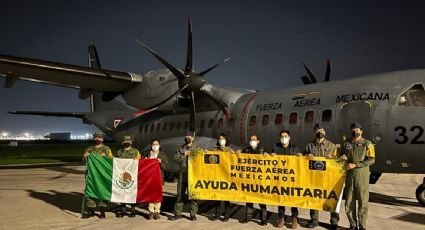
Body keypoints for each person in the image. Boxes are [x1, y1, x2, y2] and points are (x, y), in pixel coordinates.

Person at [304, 124, 339, 229]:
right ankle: (314, 220)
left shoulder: (332, 146)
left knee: (332, 198)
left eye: (322, 130)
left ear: (325, 132)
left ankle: (334, 222)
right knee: (314, 198)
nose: (320, 132)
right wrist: (307, 156)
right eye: (318, 130)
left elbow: (338, 160)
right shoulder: (309, 146)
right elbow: (302, 160)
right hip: (315, 177)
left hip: (329, 178)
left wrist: (333, 156)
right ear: (315, 132)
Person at [341, 123, 375, 230]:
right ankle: (353, 225)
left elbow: (371, 159)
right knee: (349, 202)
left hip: (362, 175)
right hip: (350, 176)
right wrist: (342, 157)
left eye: (357, 130)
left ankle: (362, 226)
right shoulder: (347, 143)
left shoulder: (368, 144)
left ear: (361, 131)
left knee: (362, 201)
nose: (355, 132)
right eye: (353, 130)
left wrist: (355, 165)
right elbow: (343, 155)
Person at [271, 130, 302, 229]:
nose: (284, 138)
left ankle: (294, 218)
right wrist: (271, 156)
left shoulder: (295, 148)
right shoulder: (276, 147)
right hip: (280, 177)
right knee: (280, 198)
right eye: (282, 136)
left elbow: (300, 163)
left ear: (289, 137)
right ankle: (281, 217)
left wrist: (300, 157)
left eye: (286, 136)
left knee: (293, 198)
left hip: (291, 178)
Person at [170, 130, 201, 221]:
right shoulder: (180, 148)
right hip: (182, 174)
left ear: (193, 138)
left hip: (193, 175)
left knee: (193, 195)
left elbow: (201, 159)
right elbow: (175, 159)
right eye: (187, 136)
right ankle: (178, 213)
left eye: (190, 136)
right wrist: (184, 154)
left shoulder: (197, 148)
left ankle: (193, 214)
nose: (188, 137)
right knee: (180, 194)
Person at [82, 132, 113, 219]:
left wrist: (105, 156)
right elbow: (84, 162)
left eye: (99, 138)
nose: (97, 139)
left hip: (102, 174)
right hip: (91, 175)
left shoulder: (106, 149)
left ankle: (102, 212)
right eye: (96, 138)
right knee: (90, 191)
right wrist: (85, 156)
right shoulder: (89, 149)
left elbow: (111, 161)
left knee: (102, 191)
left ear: (102, 139)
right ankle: (90, 211)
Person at [240, 134, 268, 226]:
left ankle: (263, 218)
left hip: (260, 179)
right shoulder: (246, 150)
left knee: (262, 199)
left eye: (254, 139)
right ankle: (248, 217)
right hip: (249, 178)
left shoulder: (263, 150)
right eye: (251, 139)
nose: (252, 141)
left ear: (258, 141)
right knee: (249, 198)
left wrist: (268, 155)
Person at [114, 135, 141, 218]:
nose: (127, 142)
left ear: (131, 142)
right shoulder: (119, 152)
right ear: (123, 142)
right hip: (122, 175)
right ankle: (123, 210)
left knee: (131, 193)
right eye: (125, 141)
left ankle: (133, 210)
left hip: (132, 176)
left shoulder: (136, 151)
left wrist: (138, 160)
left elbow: (140, 161)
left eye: (128, 141)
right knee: (122, 192)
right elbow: (114, 162)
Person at [209, 133, 234, 222]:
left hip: (226, 177)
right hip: (217, 176)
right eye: (220, 138)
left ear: (226, 140)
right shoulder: (215, 149)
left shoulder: (230, 150)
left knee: (226, 198)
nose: (221, 140)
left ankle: (226, 216)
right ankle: (217, 214)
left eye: (223, 138)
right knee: (217, 197)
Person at [143, 139, 170, 220]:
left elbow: (167, 167)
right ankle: (151, 211)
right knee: (151, 195)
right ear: (151, 145)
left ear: (159, 145)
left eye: (156, 144)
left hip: (159, 177)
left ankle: (157, 211)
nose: (155, 146)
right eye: (153, 144)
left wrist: (161, 162)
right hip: (150, 177)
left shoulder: (162, 155)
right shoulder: (148, 154)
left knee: (158, 194)